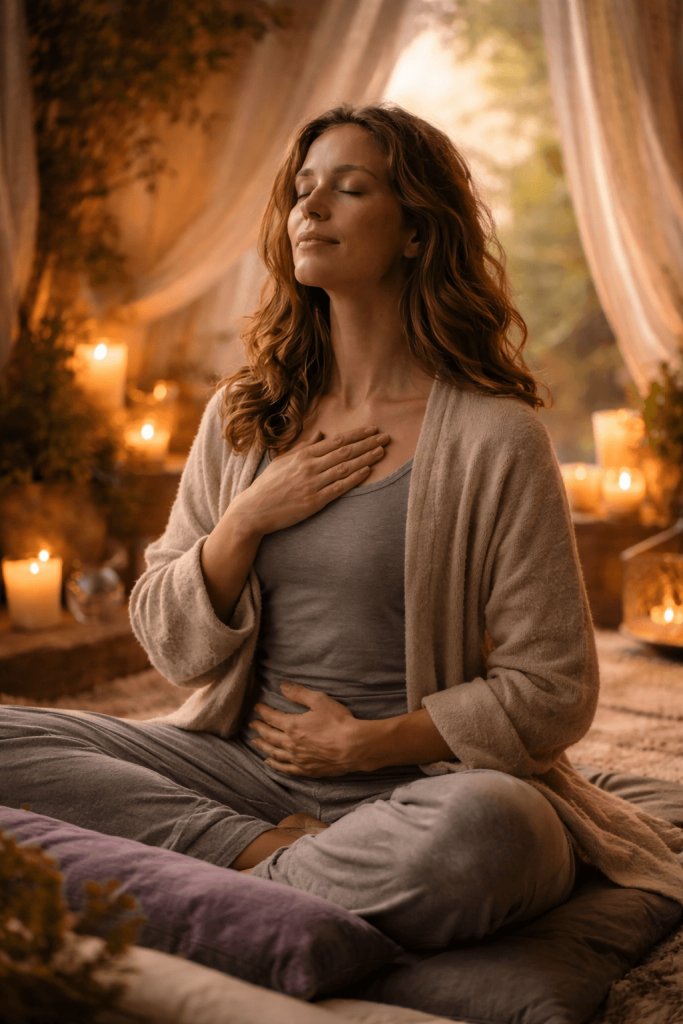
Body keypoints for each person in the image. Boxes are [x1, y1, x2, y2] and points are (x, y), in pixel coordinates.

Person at [3, 104, 683, 949]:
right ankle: (258, 866)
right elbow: (170, 646)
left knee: (500, 829)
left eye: (349, 188)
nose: (309, 208)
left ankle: (219, 893)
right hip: (233, 775)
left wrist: (368, 745)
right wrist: (245, 521)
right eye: (302, 188)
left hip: (424, 788)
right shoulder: (243, 416)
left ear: (413, 234)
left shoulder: (493, 438)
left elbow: (549, 690)